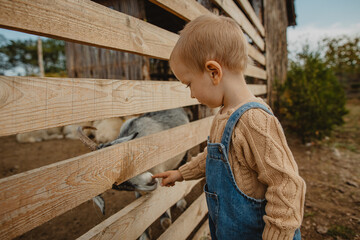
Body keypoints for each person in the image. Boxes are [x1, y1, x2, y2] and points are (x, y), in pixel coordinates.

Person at [152, 14, 306, 240]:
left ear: (213, 72)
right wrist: (181, 173)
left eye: (189, 84)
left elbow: (286, 182)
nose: (192, 94)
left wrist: (278, 232)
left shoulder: (254, 120)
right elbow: (213, 157)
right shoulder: (223, 115)